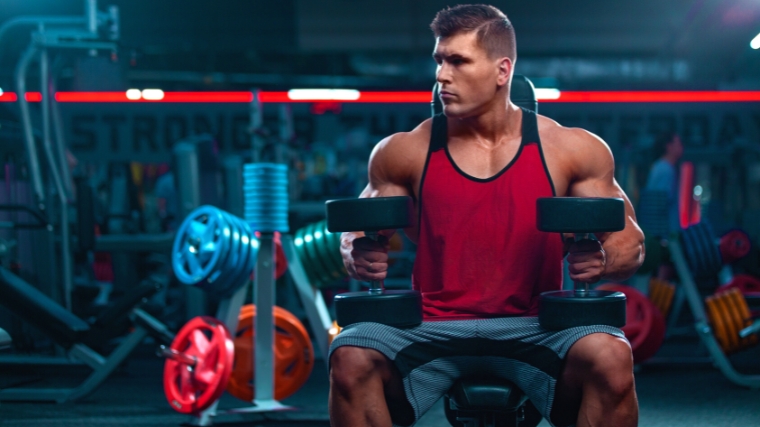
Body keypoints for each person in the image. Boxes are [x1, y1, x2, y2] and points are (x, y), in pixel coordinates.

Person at [329, 5, 644, 427]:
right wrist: (357, 251)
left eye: (457, 61)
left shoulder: (569, 148)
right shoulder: (403, 151)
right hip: (430, 325)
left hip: (536, 325)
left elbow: (630, 240)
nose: (441, 75)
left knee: (612, 354)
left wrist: (602, 260)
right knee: (349, 353)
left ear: (502, 70)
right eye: (439, 60)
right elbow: (358, 226)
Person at [645, 132, 683, 234]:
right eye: (678, 144)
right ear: (669, 147)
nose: (681, 147)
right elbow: (660, 203)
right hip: (666, 231)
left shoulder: (659, 166)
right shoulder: (666, 169)